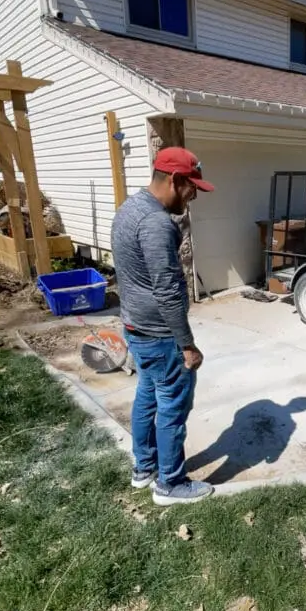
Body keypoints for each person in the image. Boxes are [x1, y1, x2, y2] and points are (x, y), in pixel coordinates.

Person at [111, 146, 214, 506]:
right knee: (172, 406)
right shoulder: (156, 223)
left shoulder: (128, 209)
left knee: (147, 397)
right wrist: (187, 345)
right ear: (175, 179)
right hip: (160, 335)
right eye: (192, 187)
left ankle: (144, 469)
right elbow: (169, 290)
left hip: (136, 328)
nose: (195, 195)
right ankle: (170, 483)